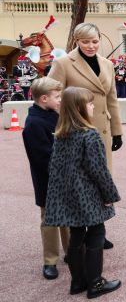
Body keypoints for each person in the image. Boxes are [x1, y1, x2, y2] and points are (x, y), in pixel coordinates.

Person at [48, 22, 122, 248]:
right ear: (76, 42)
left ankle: (99, 229)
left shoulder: (107, 64)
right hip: (76, 134)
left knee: (102, 180)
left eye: (95, 41)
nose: (91, 46)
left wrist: (117, 131)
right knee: (80, 184)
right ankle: (77, 237)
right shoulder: (63, 63)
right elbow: (51, 94)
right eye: (85, 41)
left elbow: (112, 99)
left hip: (102, 132)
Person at [44, 87, 121, 299]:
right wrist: (110, 195)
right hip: (87, 193)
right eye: (89, 103)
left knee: (77, 234)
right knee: (97, 232)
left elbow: (56, 167)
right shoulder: (90, 135)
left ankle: (78, 281)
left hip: (69, 193)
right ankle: (95, 283)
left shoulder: (62, 134)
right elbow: (98, 170)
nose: (93, 106)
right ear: (79, 108)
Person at [21, 77, 69, 280]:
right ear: (43, 98)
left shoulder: (52, 115)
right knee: (49, 220)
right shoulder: (34, 124)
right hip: (48, 180)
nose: (60, 100)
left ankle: (71, 252)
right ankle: (50, 260)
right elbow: (42, 158)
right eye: (57, 97)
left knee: (68, 217)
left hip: (65, 176)